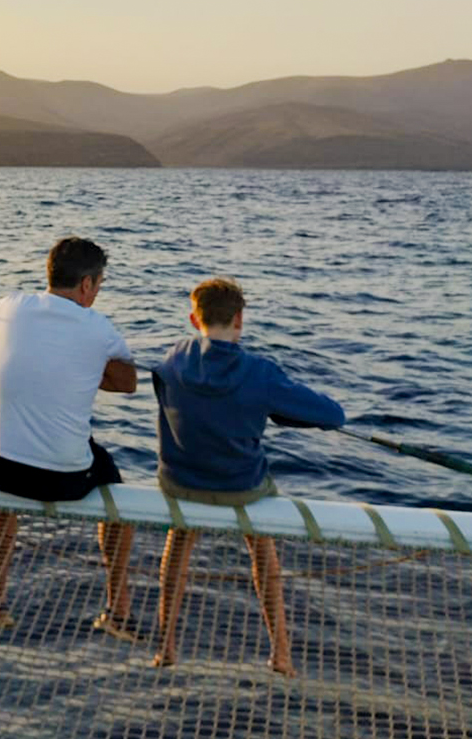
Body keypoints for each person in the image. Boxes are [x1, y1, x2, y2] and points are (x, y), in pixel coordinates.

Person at [150, 276, 346, 675]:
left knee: (179, 541)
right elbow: (333, 416)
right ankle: (281, 652)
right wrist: (277, 411)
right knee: (263, 552)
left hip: (180, 483)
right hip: (241, 487)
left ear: (193, 318)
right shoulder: (260, 372)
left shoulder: (171, 359)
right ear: (239, 319)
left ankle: (166, 645)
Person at [0, 236, 138, 636]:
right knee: (118, 502)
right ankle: (117, 609)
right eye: (99, 285)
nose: (97, 292)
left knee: (2, 462)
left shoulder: (8, 306)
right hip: (65, 479)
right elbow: (128, 382)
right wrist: (78, 366)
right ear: (86, 285)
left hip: (6, 472)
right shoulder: (99, 327)